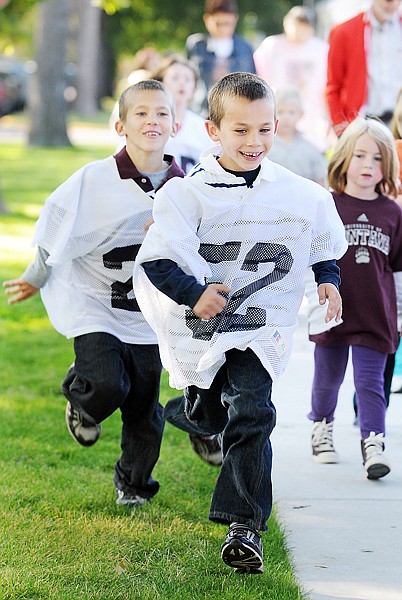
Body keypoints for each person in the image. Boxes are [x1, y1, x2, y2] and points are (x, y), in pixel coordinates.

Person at [133, 72, 347, 574]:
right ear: (213, 131)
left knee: (252, 412)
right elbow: (157, 261)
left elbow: (318, 239)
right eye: (241, 131)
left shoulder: (297, 193)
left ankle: (243, 526)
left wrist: (328, 279)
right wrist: (195, 294)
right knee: (212, 413)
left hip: (259, 326)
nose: (255, 142)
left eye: (265, 130)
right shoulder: (187, 195)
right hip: (202, 330)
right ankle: (188, 413)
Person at [3, 80, 184, 508]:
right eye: (140, 113)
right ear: (120, 125)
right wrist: (37, 275)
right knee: (106, 383)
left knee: (144, 406)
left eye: (161, 113)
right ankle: (82, 399)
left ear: (176, 126)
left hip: (147, 313)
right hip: (94, 300)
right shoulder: (93, 179)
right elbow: (55, 229)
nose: (151, 120)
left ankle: (134, 482)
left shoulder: (185, 187)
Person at [308, 117, 402, 480]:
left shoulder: (393, 213)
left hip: (376, 315)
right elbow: (312, 259)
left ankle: (373, 444)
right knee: (327, 380)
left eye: (377, 159)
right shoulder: (327, 205)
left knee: (371, 384)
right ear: (343, 158)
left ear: (387, 167)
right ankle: (321, 428)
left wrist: (399, 314)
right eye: (360, 155)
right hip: (332, 312)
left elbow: (397, 269)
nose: (368, 165)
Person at [253, 5, 330, 152]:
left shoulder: (321, 49)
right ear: (286, 24)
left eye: (304, 28)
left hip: (312, 112)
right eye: (296, 27)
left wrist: (327, 116)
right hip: (279, 108)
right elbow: (260, 76)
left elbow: (327, 83)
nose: (300, 32)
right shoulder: (272, 46)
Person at [326, 0, 402, 137]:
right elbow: (333, 86)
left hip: (399, 123)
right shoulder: (345, 31)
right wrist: (340, 126)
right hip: (362, 123)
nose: (392, 4)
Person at [186, 0, 255, 117]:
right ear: (207, 19)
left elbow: (252, 82)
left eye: (227, 23)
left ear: (235, 19)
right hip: (201, 110)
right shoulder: (197, 45)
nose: (222, 28)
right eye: (218, 23)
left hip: (235, 111)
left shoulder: (245, 47)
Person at [150, 54, 213, 173]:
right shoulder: (146, 122)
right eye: (175, 78)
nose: (182, 83)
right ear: (161, 82)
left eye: (188, 79)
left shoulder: (202, 127)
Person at [268, 86, 328, 186]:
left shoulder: (310, 149)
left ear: (301, 114)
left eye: (291, 112)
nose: (285, 117)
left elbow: (321, 181)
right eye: (280, 112)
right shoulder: (265, 146)